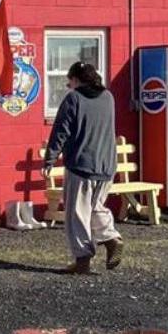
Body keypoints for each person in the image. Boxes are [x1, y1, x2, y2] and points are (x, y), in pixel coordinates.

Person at [43, 60, 124, 275]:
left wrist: (50, 159)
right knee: (96, 206)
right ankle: (110, 238)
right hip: (107, 164)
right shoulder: (108, 97)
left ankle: (82, 259)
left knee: (77, 213)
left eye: (69, 81)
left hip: (81, 164)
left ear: (76, 80)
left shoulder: (74, 99)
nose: (68, 86)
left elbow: (61, 131)